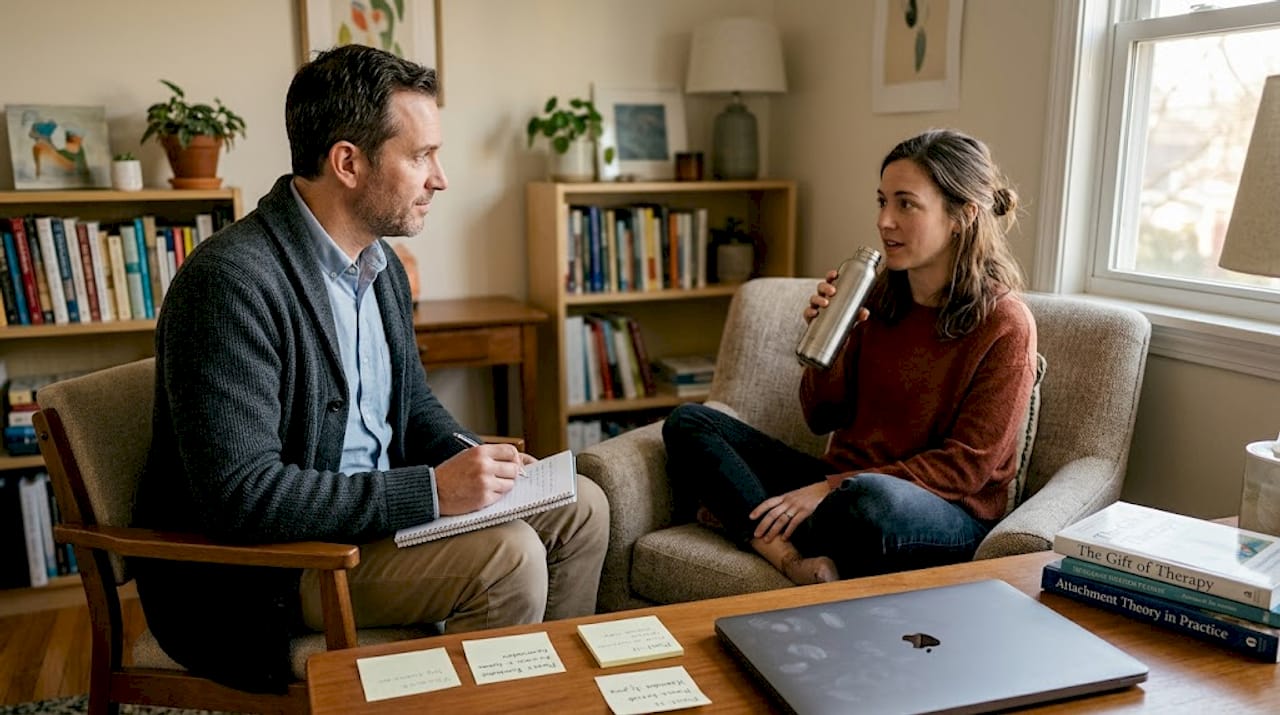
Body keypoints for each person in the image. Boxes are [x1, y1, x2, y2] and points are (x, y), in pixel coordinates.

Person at [131, 44, 608, 693]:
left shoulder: (376, 267)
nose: (440, 178)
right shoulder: (229, 285)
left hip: (376, 519)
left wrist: (480, 461)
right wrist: (436, 492)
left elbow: (411, 409)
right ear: (348, 162)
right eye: (420, 156)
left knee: (583, 506)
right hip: (275, 569)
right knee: (510, 557)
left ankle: (546, 699)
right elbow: (244, 498)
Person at [663, 128, 1036, 587]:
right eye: (882, 202)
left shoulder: (1005, 324)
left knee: (870, 503)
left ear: (962, 215)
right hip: (839, 486)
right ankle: (786, 555)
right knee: (689, 423)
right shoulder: (874, 295)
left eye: (906, 203)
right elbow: (822, 416)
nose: (885, 221)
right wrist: (830, 339)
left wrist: (828, 489)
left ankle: (736, 512)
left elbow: (965, 469)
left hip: (936, 511)